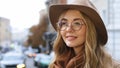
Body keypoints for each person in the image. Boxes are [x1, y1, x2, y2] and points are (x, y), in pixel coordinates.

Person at [48, 0, 120, 68]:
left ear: (91, 29)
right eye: (64, 23)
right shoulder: (56, 64)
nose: (68, 29)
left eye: (77, 23)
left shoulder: (112, 66)